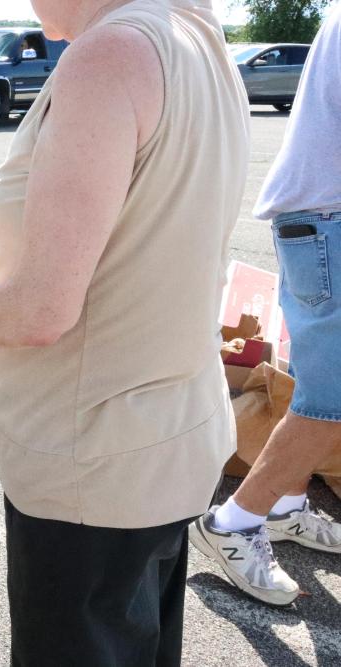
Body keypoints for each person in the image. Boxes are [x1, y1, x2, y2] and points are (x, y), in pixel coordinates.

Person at [0, 0, 248, 663]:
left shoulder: (108, 57)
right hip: (169, 447)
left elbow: (41, 312)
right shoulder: (194, 35)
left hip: (94, 476)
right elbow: (147, 243)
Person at [190, 5, 341, 606]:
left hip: (321, 218)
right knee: (329, 402)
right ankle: (232, 525)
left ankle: (282, 503)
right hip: (330, 220)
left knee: (316, 386)